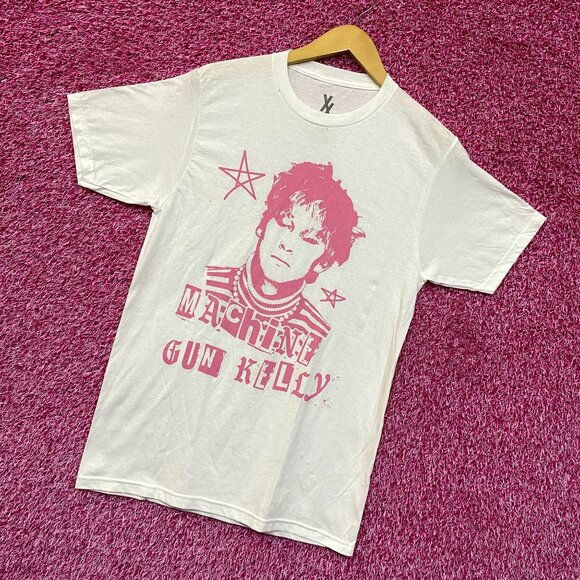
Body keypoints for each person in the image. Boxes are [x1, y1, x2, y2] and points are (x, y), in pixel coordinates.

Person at [204, 160, 365, 365]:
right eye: (284, 224)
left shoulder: (316, 333)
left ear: (323, 263)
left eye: (308, 240)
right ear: (263, 226)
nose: (287, 245)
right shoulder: (206, 283)